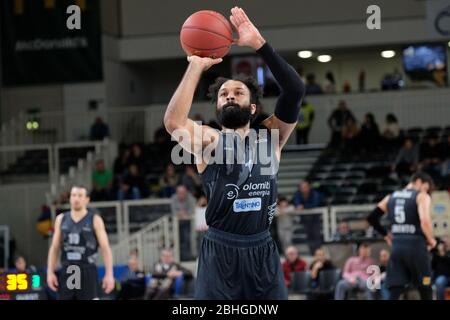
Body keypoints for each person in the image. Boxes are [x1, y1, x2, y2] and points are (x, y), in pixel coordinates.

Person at [164, 7, 304, 300]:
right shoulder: (209, 141)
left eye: (238, 92)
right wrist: (196, 66)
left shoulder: (271, 136)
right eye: (223, 94)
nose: (229, 95)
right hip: (220, 251)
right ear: (217, 108)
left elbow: (294, 89)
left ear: (253, 108)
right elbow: (174, 122)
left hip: (262, 249)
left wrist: (259, 44)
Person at [367, 172, 437, 300]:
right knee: (425, 286)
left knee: (395, 289)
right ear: (419, 182)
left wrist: (386, 235)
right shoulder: (421, 196)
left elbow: (372, 218)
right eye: (426, 187)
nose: (426, 191)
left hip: (397, 247)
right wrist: (431, 240)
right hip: (416, 246)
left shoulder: (391, 197)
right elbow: (425, 221)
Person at [46, 185, 115, 300]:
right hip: (68, 270)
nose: (76, 198)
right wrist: (50, 272)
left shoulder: (95, 219)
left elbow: (105, 248)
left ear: (87, 199)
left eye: (80, 195)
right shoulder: (61, 219)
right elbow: (54, 247)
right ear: (70, 198)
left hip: (87, 270)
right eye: (73, 195)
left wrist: (109, 274)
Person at [291, 180, 322, 254]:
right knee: (309, 236)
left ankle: (318, 252)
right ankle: (312, 252)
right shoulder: (298, 194)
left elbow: (315, 203)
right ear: (300, 188)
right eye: (302, 187)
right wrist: (298, 205)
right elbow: (296, 202)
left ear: (309, 187)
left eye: (305, 187)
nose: (304, 189)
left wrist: (304, 206)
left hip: (315, 218)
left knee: (317, 235)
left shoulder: (315, 193)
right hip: (305, 219)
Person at [171, 185, 196, 261]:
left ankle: (187, 257)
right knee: (178, 240)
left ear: (186, 192)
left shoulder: (191, 198)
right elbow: (174, 212)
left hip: (188, 223)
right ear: (177, 193)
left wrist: (184, 214)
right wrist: (182, 214)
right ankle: (180, 257)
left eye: (183, 192)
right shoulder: (173, 198)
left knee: (187, 239)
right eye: (179, 193)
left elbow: (192, 211)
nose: (181, 194)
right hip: (177, 224)